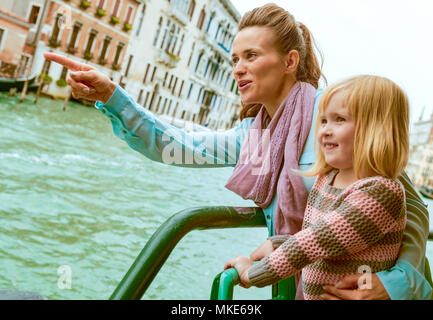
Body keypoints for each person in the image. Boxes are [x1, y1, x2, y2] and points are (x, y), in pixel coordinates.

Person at [43, 3, 431, 300]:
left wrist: (392, 284)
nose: (238, 69)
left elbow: (407, 207)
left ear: (289, 62)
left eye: (251, 56)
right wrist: (112, 96)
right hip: (300, 284)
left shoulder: (335, 121)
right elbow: (176, 145)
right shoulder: (255, 136)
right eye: (234, 59)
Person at [224, 75, 413, 299]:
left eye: (339, 119)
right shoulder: (327, 178)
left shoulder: (380, 192)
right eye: (323, 121)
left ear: (377, 129)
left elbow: (313, 243)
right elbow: (326, 242)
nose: (325, 130)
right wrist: (277, 244)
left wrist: (250, 274)